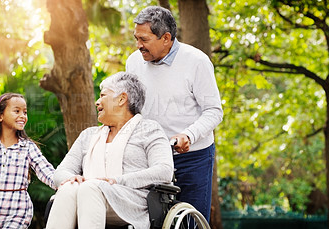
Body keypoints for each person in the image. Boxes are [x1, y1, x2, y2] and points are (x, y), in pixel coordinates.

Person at [125, 6, 223, 223]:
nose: (138, 45)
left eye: (144, 39)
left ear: (166, 38)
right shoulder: (133, 62)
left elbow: (213, 111)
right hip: (150, 156)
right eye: (136, 38)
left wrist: (188, 135)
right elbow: (131, 110)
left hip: (193, 157)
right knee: (150, 221)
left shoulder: (196, 61)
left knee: (190, 222)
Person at [46, 72, 174, 229]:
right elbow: (61, 172)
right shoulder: (88, 135)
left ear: (121, 99)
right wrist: (71, 178)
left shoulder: (149, 130)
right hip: (88, 195)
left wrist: (118, 181)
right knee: (69, 188)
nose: (97, 102)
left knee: (89, 188)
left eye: (102, 95)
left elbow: (164, 170)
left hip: (131, 202)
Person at [0, 93, 56, 229]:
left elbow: (46, 171)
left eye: (25, 112)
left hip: (19, 212)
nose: (23, 116)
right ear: (0, 116)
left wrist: (65, 182)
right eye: (17, 111)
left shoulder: (27, 147)